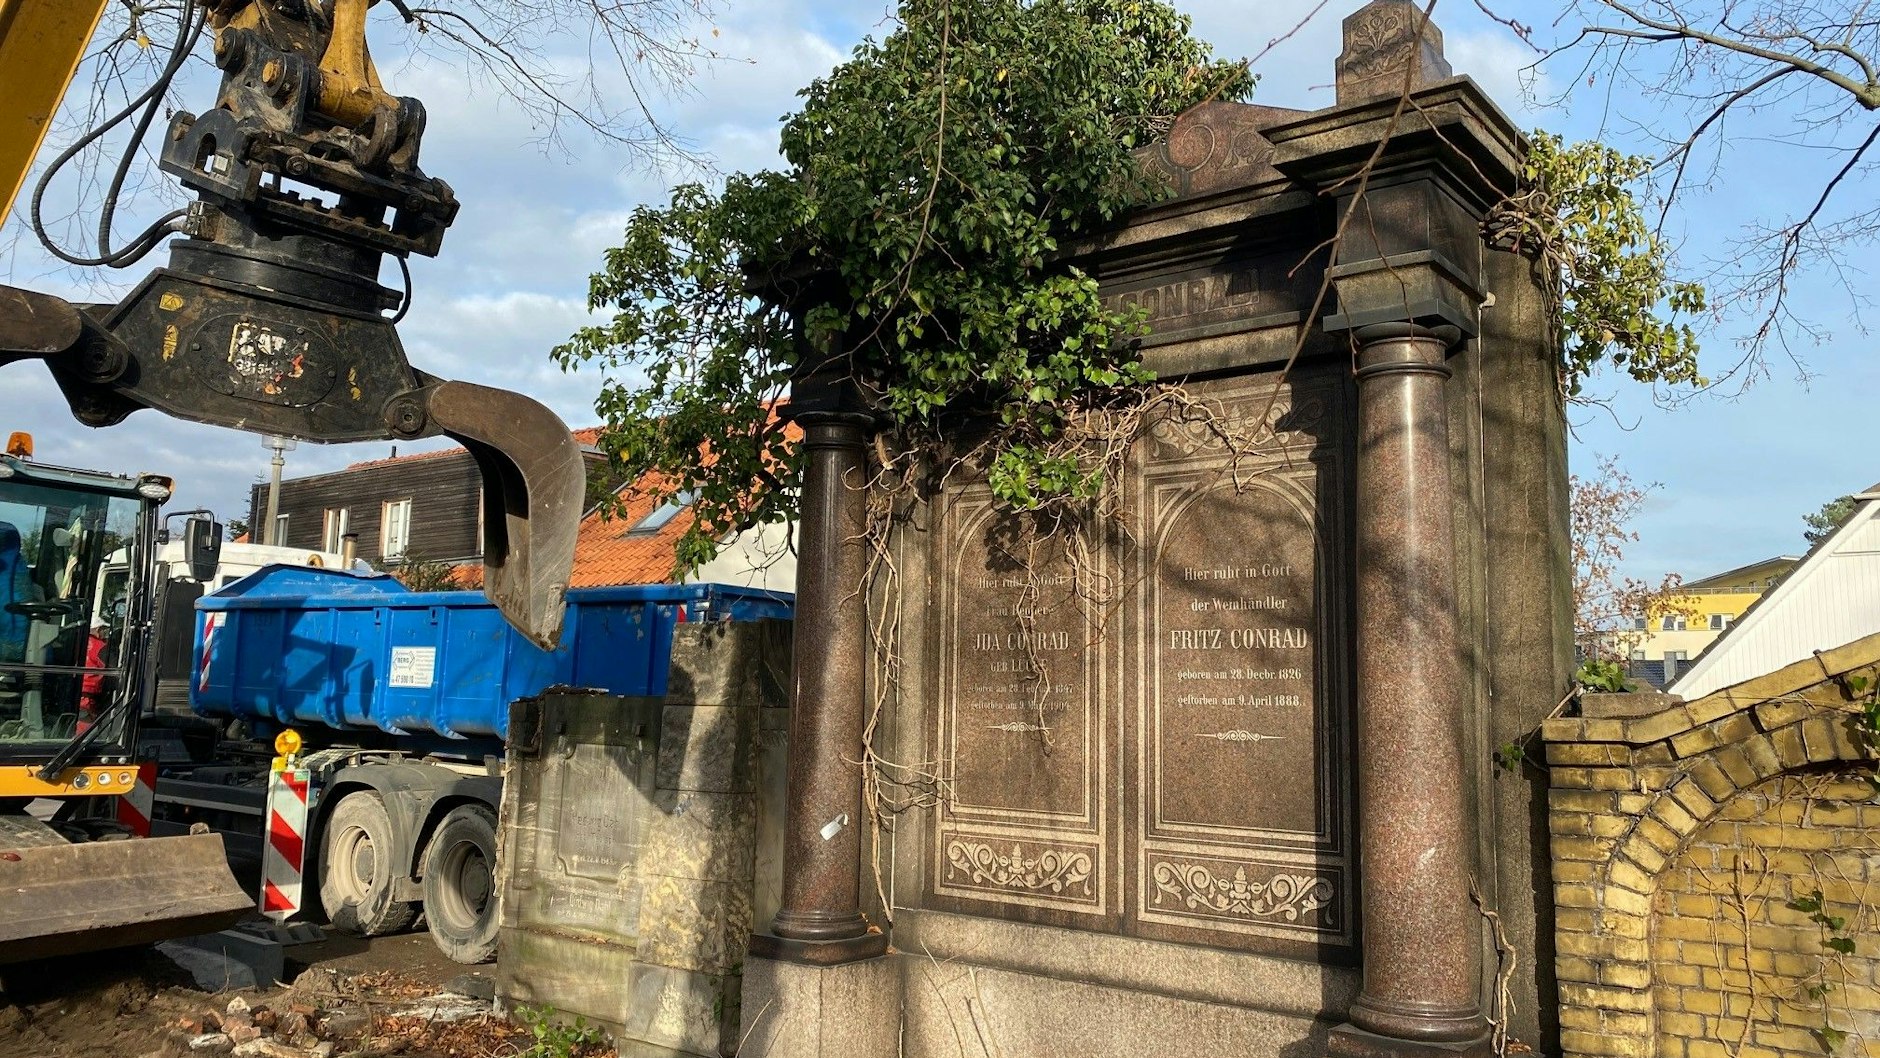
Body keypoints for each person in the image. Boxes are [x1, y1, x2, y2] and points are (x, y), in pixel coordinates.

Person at [77, 615, 110, 734]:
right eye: (102, 630)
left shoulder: (76, 641)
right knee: (85, 735)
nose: (103, 633)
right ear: (97, 630)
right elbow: (110, 667)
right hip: (87, 700)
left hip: (72, 695)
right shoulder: (100, 647)